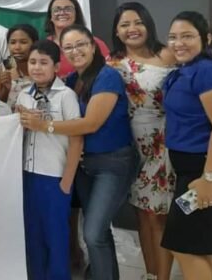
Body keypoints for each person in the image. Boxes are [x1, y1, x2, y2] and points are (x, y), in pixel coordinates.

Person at [44, 24, 139, 280]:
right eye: (68, 47)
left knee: (94, 232)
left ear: (93, 46)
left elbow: (91, 123)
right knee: (99, 232)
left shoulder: (107, 76)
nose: (75, 51)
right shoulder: (74, 80)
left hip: (113, 163)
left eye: (80, 45)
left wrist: (45, 126)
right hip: (86, 166)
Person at [160, 11, 212, 280]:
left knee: (182, 246)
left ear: (206, 38)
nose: (178, 43)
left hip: (208, 173)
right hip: (194, 172)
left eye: (187, 36)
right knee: (207, 249)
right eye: (173, 37)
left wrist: (210, 179)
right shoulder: (186, 70)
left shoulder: (210, 70)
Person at [108, 2, 177, 280]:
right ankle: (150, 275)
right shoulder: (112, 62)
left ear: (147, 24)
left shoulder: (168, 55)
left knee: (158, 215)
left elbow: (199, 91)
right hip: (132, 147)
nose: (132, 29)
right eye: (124, 24)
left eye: (137, 22)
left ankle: (163, 277)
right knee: (142, 215)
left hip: (165, 142)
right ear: (116, 31)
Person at [17, 40, 82, 280]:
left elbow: (77, 137)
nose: (36, 68)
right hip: (27, 174)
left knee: (55, 236)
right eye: (33, 62)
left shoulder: (66, 96)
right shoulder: (24, 95)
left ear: (56, 66)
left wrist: (67, 180)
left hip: (55, 176)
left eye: (43, 63)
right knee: (32, 234)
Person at [44, 0, 110, 78]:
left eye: (68, 9)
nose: (62, 13)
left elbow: (108, 73)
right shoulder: (44, 46)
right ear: (50, 16)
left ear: (76, 14)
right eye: (57, 10)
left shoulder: (95, 43)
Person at [0, 24, 38, 108]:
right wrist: (5, 90)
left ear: (34, 43)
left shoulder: (41, 68)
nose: (17, 47)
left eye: (23, 42)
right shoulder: (3, 68)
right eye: (12, 42)